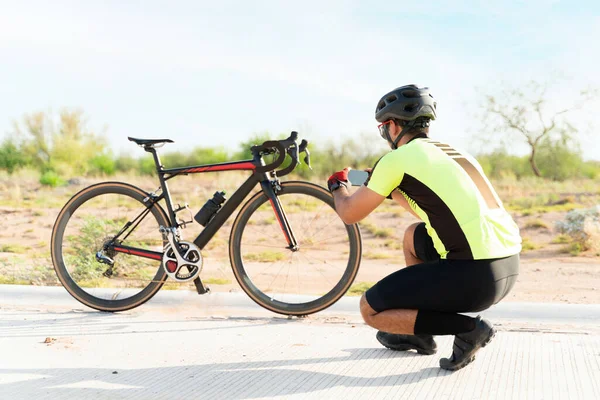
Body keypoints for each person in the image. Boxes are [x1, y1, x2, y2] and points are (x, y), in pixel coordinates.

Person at [326, 84, 522, 371]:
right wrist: (381, 183)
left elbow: (349, 213)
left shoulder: (395, 160)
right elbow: (424, 208)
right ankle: (418, 334)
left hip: (474, 276)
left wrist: (337, 186)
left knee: (370, 309)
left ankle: (470, 329)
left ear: (391, 126)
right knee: (412, 237)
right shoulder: (454, 151)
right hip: (508, 268)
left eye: (383, 128)